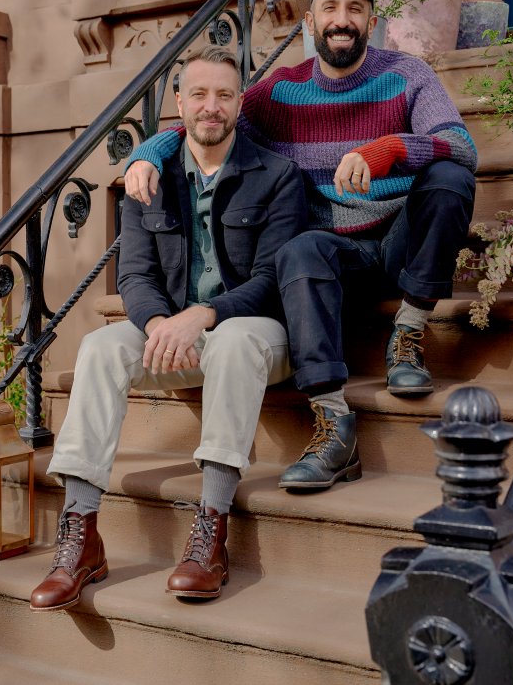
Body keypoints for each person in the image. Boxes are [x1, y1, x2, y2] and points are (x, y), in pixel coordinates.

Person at [125, 0, 477, 493]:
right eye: (330, 9)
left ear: (372, 21)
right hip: (335, 254)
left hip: (404, 242)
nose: (342, 21)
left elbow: (461, 145)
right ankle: (334, 424)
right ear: (310, 22)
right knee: (299, 249)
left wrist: (390, 149)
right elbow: (210, 124)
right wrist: (149, 150)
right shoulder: (280, 91)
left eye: (355, 10)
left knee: (449, 179)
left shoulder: (409, 75)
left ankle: (407, 332)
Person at [30, 46, 307, 611]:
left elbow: (271, 280)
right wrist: (159, 324)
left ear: (240, 104)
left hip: (256, 335)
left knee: (232, 338)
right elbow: (134, 274)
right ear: (178, 102)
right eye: (199, 94)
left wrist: (201, 315)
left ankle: (211, 531)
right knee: (101, 345)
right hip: (176, 334)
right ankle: (80, 534)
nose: (212, 107)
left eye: (225, 95)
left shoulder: (278, 176)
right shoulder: (146, 179)